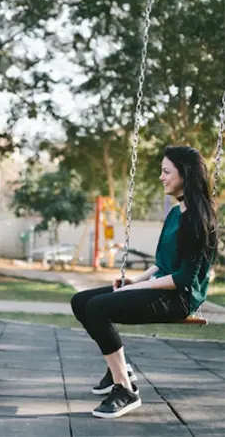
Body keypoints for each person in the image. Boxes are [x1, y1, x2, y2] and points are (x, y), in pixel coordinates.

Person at [70, 146, 218, 419]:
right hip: (162, 285)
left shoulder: (198, 219)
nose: (161, 177)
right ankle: (120, 368)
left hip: (180, 297)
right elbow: (162, 263)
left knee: (98, 308)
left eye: (166, 171)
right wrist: (134, 279)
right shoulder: (176, 213)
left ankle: (124, 389)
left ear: (185, 174)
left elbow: (183, 277)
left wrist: (137, 287)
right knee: (81, 301)